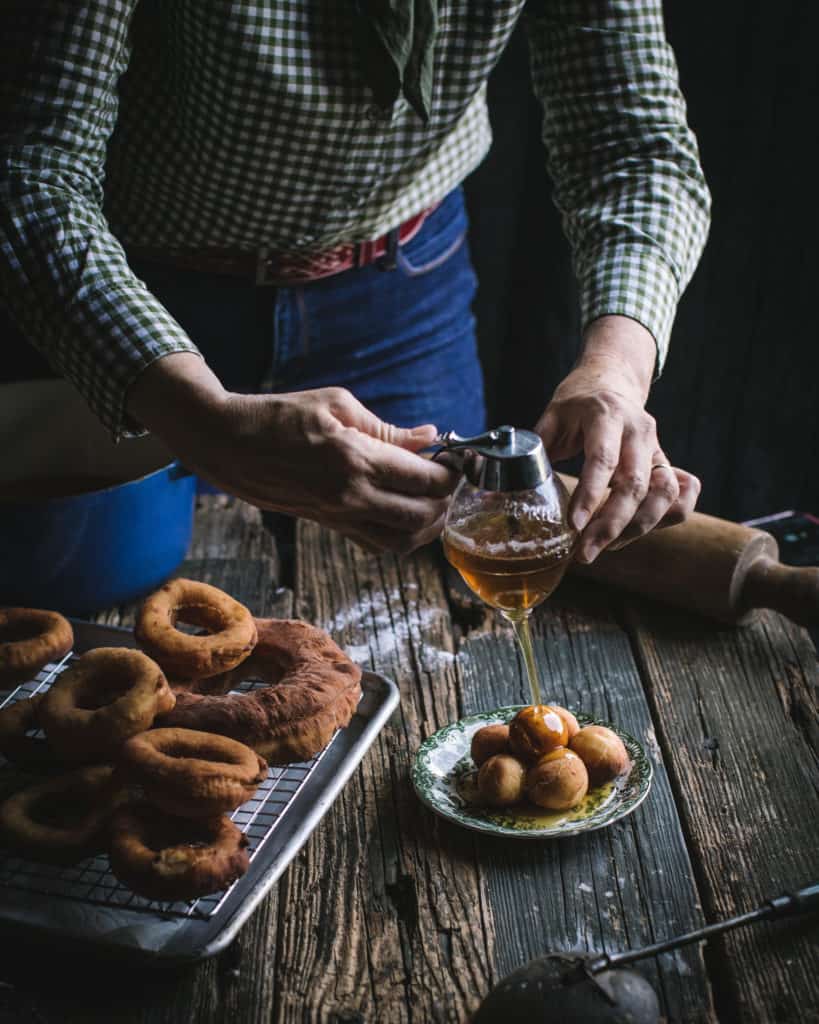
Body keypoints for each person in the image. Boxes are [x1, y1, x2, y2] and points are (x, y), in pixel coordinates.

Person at [0, 1, 710, 562]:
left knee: (430, 577)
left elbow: (634, 148)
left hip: (399, 298)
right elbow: (29, 170)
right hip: (122, 296)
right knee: (81, 598)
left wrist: (615, 372)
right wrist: (193, 414)